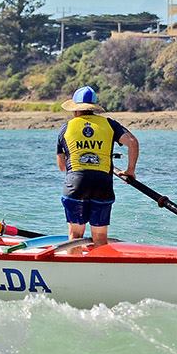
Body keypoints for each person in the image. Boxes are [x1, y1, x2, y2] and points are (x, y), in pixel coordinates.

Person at [56, 86, 139, 248]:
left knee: (75, 237)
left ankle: (75, 271)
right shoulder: (109, 124)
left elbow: (61, 166)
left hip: (76, 184)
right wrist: (130, 171)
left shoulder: (65, 128)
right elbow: (132, 143)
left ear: (75, 110)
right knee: (100, 239)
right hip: (103, 185)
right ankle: (101, 271)